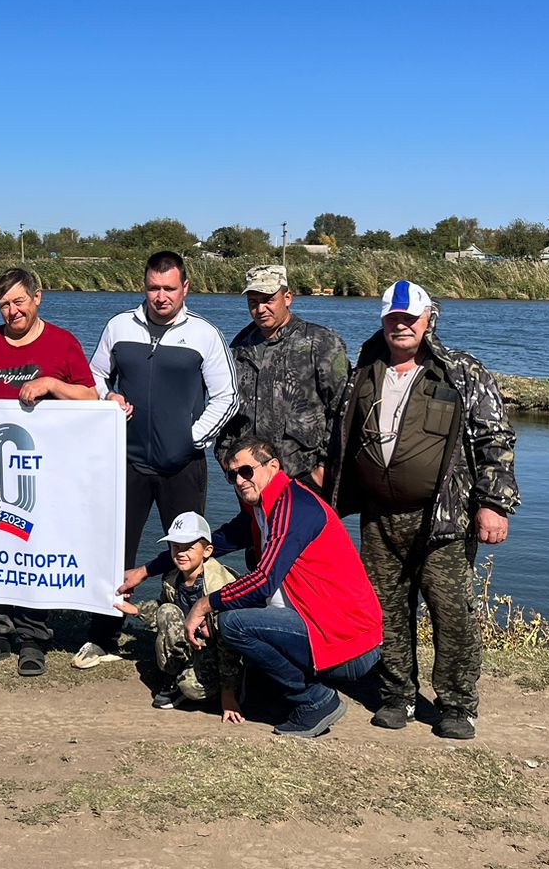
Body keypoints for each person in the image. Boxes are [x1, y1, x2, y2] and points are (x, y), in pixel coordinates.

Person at [326, 279, 520, 741]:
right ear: (383, 321)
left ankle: (457, 704)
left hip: (443, 516)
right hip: (377, 516)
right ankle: (398, 696)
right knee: (386, 609)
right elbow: (340, 437)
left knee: (451, 611)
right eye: (393, 319)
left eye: (409, 319)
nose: (401, 327)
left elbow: (496, 439)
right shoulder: (364, 371)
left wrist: (493, 504)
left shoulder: (462, 372)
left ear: (429, 320)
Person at [145, 433, 381, 738]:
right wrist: (146, 570)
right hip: (318, 624)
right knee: (250, 663)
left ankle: (315, 701)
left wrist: (203, 605)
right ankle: (284, 690)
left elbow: (264, 582)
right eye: (231, 475)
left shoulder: (293, 506)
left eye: (246, 471)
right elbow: (205, 544)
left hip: (347, 639)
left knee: (232, 624)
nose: (239, 481)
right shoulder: (260, 510)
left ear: (273, 466)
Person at [83, 250, 237, 669]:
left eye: (170, 288)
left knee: (188, 554)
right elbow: (93, 375)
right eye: (154, 287)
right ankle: (103, 635)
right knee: (116, 551)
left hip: (181, 465)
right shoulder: (119, 326)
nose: (161, 296)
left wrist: (192, 438)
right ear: (144, 286)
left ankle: (187, 641)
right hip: (128, 463)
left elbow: (227, 396)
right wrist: (107, 396)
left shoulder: (204, 334)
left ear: (185, 287)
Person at [0, 266, 98, 676]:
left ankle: (34, 636)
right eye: (4, 304)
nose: (12, 311)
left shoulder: (63, 343)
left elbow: (91, 396)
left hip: (44, 471)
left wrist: (52, 385)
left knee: (35, 548)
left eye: (19, 301)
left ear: (37, 297)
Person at [224, 264, 350, 489]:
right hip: (251, 479)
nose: (261, 309)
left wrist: (323, 469)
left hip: (303, 476)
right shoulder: (239, 347)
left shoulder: (321, 342)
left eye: (268, 300)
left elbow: (343, 408)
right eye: (254, 302)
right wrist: (226, 457)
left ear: (288, 297)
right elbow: (227, 406)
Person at [123, 512, 244, 721]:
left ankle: (231, 686)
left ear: (207, 551)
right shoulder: (172, 579)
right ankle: (173, 675)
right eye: (175, 546)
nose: (180, 552)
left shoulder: (220, 586)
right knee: (167, 611)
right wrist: (136, 610)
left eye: (188, 547)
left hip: (216, 651)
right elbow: (165, 612)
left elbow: (229, 643)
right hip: (191, 646)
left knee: (192, 689)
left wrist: (228, 692)